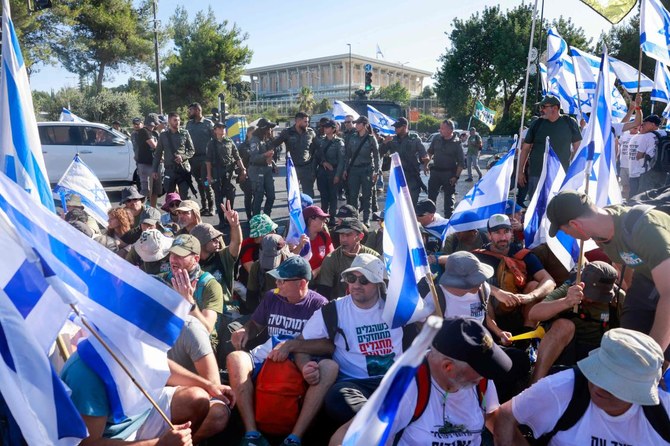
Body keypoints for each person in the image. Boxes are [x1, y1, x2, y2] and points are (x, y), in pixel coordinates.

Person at [336, 317, 511, 445]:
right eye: (481, 370)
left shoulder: (481, 379)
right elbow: (346, 436)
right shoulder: (407, 387)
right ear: (448, 367)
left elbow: (494, 418)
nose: (486, 375)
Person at [546, 190, 670, 359]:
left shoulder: (645, 229)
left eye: (565, 231)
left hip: (666, 284)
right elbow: (623, 259)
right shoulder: (600, 233)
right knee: (628, 344)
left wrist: (652, 356)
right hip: (647, 279)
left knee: (656, 353)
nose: (568, 236)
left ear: (575, 224)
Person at [494, 328, 670, 446]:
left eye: (613, 384)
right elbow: (505, 416)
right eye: (598, 374)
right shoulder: (563, 387)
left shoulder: (664, 413)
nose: (599, 388)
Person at [226, 256, 333, 446]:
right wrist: (244, 331)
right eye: (277, 278)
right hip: (269, 356)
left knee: (329, 368)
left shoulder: (320, 305)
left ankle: (295, 438)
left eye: (282, 280)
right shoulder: (272, 296)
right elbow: (255, 324)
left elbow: (329, 345)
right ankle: (252, 434)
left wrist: (292, 346)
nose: (277, 283)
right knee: (235, 358)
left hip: (301, 361)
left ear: (301, 283)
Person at [298, 254, 404, 428]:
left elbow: (431, 323)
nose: (356, 284)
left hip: (392, 382)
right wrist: (305, 367)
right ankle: (377, 423)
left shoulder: (397, 307)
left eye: (364, 280)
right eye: (351, 278)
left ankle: (376, 423)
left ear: (378, 283)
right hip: (353, 384)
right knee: (337, 399)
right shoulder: (333, 310)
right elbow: (301, 343)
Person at [60, 351, 233, 445]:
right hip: (113, 437)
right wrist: (158, 444)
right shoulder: (85, 375)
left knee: (205, 403)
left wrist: (208, 385)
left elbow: (159, 363)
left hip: (142, 415)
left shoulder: (129, 341)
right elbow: (89, 444)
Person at [527, 261, 621, 384]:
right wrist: (566, 302)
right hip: (566, 347)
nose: (589, 299)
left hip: (598, 352)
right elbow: (534, 314)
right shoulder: (570, 289)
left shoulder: (618, 299)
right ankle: (534, 384)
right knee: (564, 325)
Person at [473, 214, 556, 335]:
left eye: (506, 231)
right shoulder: (478, 257)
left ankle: (527, 335)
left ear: (512, 234)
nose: (503, 237)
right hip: (491, 309)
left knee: (534, 285)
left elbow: (549, 281)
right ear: (489, 235)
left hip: (519, 306)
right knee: (481, 292)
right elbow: (468, 282)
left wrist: (531, 296)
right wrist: (498, 292)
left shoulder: (523, 255)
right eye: (497, 232)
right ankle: (494, 335)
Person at [158, 234, 224, 350]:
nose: (173, 259)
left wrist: (189, 302)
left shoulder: (210, 285)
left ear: (196, 259)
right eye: (172, 254)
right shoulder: (163, 279)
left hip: (199, 344)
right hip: (169, 336)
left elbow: (207, 329)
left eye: (180, 255)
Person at [518, 95, 582, 199]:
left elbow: (578, 149)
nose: (541, 110)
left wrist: (574, 172)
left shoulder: (569, 123)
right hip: (536, 174)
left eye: (543, 107)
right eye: (540, 107)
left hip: (560, 175)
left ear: (555, 108)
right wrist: (520, 171)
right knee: (535, 208)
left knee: (557, 208)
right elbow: (525, 149)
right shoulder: (536, 124)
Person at [191, 210, 241, 320]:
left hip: (226, 310)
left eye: (218, 238)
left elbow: (236, 243)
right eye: (213, 239)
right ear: (201, 243)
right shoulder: (190, 263)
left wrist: (235, 225)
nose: (218, 241)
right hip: (199, 312)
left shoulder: (222, 257)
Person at [317, 218, 380, 300]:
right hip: (340, 306)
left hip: (368, 304)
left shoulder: (374, 258)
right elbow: (324, 294)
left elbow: (382, 289)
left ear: (360, 236)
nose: (343, 239)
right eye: (341, 234)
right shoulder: (331, 259)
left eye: (348, 235)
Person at [380, 117, 429, 204]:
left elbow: (424, 154)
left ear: (404, 127)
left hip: (411, 175)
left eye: (397, 127)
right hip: (396, 175)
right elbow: (380, 152)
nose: (395, 129)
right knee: (398, 203)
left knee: (412, 203)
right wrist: (384, 143)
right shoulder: (392, 139)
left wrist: (425, 161)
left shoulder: (415, 140)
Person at [206, 122, 246, 227]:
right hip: (216, 172)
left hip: (229, 172)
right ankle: (221, 220)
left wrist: (243, 169)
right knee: (219, 197)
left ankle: (229, 218)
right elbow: (208, 161)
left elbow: (237, 157)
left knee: (231, 195)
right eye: (219, 128)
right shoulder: (211, 143)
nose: (222, 129)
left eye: (223, 127)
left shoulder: (229, 142)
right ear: (215, 130)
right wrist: (209, 175)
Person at [269, 111, 318, 197]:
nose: (307, 124)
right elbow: (273, 145)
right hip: (292, 168)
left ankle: (308, 211)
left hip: (307, 168)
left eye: (308, 121)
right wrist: (271, 159)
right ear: (298, 121)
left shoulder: (310, 132)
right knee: (292, 195)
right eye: (305, 122)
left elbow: (318, 148)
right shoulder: (287, 132)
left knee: (308, 195)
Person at [343, 116, 380, 226]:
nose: (356, 125)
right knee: (353, 195)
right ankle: (355, 219)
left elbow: (377, 156)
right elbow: (347, 155)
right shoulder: (352, 138)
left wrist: (377, 171)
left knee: (367, 195)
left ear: (365, 125)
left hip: (367, 170)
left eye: (358, 123)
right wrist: (345, 169)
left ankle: (366, 219)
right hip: (354, 169)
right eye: (356, 123)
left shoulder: (370, 138)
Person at [427, 119, 465, 218]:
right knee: (430, 199)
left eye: (443, 128)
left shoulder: (457, 143)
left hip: (449, 175)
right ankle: (430, 219)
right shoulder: (436, 138)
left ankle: (448, 223)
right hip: (435, 172)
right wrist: (426, 164)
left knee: (449, 201)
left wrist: (456, 177)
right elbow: (430, 152)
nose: (440, 130)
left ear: (450, 130)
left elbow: (461, 163)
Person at [153, 112, 195, 200]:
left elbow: (192, 150)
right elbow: (158, 154)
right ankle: (172, 214)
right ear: (169, 121)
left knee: (184, 196)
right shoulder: (163, 136)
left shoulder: (185, 133)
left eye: (179, 120)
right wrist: (154, 170)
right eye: (175, 120)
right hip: (169, 170)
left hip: (183, 169)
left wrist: (182, 157)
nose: (178, 122)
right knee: (170, 198)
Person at [186, 102, 215, 216]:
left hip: (205, 159)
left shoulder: (208, 124)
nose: (189, 112)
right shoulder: (189, 124)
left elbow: (214, 141)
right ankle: (204, 206)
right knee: (199, 183)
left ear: (198, 110)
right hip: (193, 159)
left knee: (206, 183)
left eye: (191, 110)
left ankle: (211, 207)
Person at [291, 205, 334, 282]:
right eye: (322, 218)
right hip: (300, 280)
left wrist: (316, 271)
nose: (325, 221)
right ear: (310, 220)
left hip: (321, 279)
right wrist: (300, 246)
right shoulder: (296, 238)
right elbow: (290, 261)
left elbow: (331, 258)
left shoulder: (324, 236)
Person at [628, 114, 667, 196]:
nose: (643, 125)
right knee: (659, 196)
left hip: (649, 170)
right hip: (665, 170)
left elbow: (638, 156)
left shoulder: (646, 136)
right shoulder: (666, 134)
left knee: (643, 196)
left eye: (645, 123)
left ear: (652, 124)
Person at [315, 119, 345, 216]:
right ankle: (323, 216)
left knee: (333, 196)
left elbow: (341, 161)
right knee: (323, 196)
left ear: (333, 129)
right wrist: (323, 162)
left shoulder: (339, 143)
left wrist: (337, 175)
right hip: (322, 172)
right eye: (324, 127)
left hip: (334, 172)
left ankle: (332, 217)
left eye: (327, 127)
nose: (325, 129)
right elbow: (317, 156)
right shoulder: (321, 141)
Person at [248, 119, 277, 217]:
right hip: (257, 171)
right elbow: (254, 157)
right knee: (258, 196)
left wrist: (273, 164)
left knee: (271, 196)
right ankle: (256, 220)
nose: (270, 131)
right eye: (268, 129)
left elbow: (269, 156)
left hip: (267, 170)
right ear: (263, 129)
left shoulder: (266, 139)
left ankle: (266, 217)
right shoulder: (254, 140)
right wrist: (265, 154)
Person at [133, 114, 160, 200]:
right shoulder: (144, 131)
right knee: (147, 189)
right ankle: (143, 208)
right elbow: (154, 145)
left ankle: (148, 207)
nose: (154, 126)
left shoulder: (150, 132)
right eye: (154, 124)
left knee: (150, 189)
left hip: (148, 163)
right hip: (145, 164)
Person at [237, 125, 256, 221]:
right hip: (246, 174)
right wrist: (241, 172)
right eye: (253, 132)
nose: (254, 134)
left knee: (257, 196)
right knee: (248, 195)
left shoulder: (259, 144)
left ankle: (255, 214)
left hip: (257, 174)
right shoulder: (242, 146)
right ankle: (249, 216)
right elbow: (237, 160)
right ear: (248, 133)